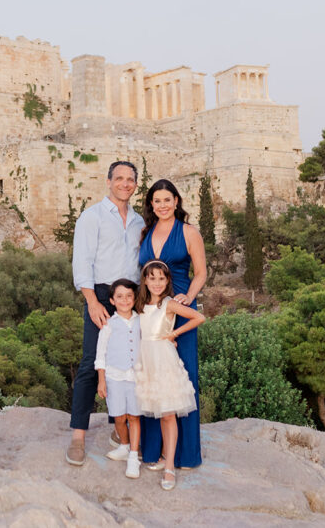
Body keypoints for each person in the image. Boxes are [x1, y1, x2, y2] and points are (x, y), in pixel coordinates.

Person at [66, 161, 145, 466]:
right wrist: (92, 301)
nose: (125, 183)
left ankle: (120, 433)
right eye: (120, 178)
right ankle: (77, 437)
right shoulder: (92, 216)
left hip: (132, 298)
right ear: (109, 181)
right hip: (100, 295)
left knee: (129, 364)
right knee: (91, 362)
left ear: (135, 184)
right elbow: (82, 262)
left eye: (131, 179)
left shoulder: (139, 221)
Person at [138, 178, 207, 470]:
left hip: (177, 308)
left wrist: (189, 297)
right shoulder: (145, 232)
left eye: (167, 200)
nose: (163, 205)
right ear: (151, 205)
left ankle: (184, 455)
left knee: (183, 380)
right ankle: (153, 451)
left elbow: (202, 271)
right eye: (157, 201)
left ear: (176, 201)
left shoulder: (189, 231)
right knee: (152, 378)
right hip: (150, 309)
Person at [135, 260, 205, 490]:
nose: (156, 283)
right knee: (150, 409)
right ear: (145, 280)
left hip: (163, 360)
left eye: (161, 278)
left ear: (167, 281)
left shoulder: (169, 304)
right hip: (144, 361)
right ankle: (161, 455)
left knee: (167, 413)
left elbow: (198, 317)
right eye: (152, 278)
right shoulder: (139, 304)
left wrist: (173, 333)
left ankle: (169, 466)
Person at [95, 278, 143, 479]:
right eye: (120, 296)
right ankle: (124, 445)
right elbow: (101, 354)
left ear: (134, 298)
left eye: (129, 296)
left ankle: (133, 456)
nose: (125, 300)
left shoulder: (142, 320)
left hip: (136, 377)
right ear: (112, 301)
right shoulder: (108, 325)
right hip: (114, 377)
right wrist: (102, 380)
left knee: (134, 416)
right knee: (119, 416)